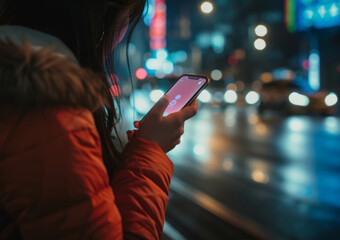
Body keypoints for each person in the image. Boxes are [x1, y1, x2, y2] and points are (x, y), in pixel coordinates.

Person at [0, 0, 198, 239]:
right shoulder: (51, 114)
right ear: (100, 20)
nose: (121, 36)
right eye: (128, 18)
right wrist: (150, 151)